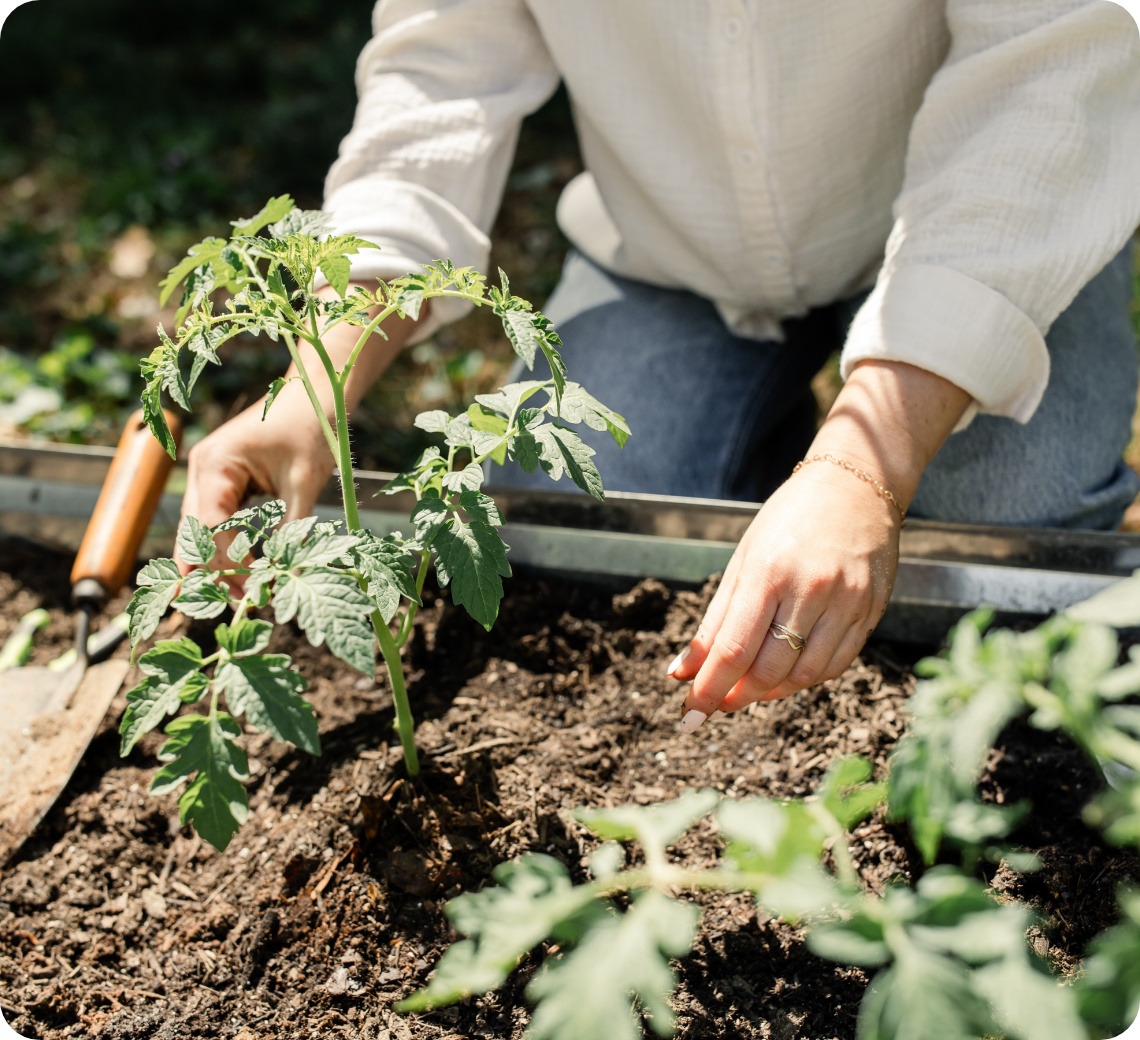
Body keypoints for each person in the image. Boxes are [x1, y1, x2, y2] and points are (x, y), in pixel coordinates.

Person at [181, 1, 1140, 732]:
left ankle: (823, 490)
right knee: (572, 534)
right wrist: (318, 377)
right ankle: (777, 496)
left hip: (992, 221)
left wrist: (863, 469)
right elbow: (437, 78)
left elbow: (1046, 72)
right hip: (673, 250)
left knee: (1009, 548)